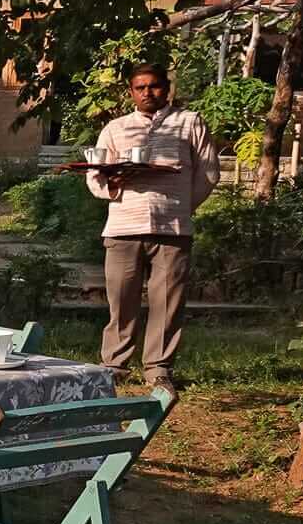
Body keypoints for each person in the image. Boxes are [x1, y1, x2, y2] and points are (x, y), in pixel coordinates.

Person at [85, 64, 218, 393]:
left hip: (172, 229)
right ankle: (114, 364)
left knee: (168, 302)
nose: (148, 93)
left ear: (167, 88)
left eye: (155, 86)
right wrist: (113, 184)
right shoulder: (116, 128)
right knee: (121, 299)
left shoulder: (189, 122)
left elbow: (209, 171)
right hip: (123, 226)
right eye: (140, 87)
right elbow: (95, 175)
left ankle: (158, 369)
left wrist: (182, 207)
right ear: (131, 92)